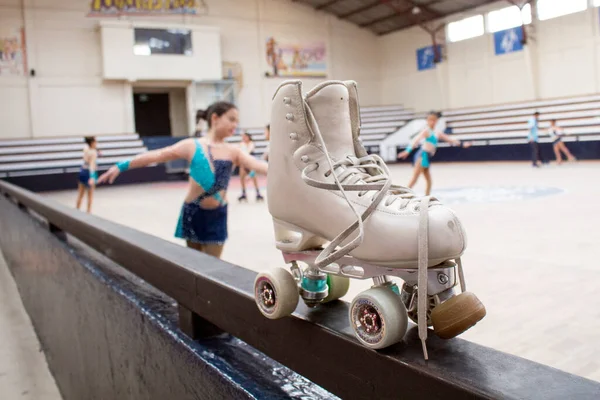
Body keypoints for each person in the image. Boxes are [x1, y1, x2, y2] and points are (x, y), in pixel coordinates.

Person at [98, 101, 268, 259]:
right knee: (195, 265)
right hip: (193, 212)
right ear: (215, 118)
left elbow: (259, 166)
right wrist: (121, 166)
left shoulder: (234, 151)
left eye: (237, 121)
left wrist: (289, 170)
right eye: (231, 119)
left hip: (217, 215)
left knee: (214, 266)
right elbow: (156, 155)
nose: (235, 125)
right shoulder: (192, 146)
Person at [397, 112, 470, 196]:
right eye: (430, 120)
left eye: (434, 120)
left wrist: (462, 144)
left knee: (428, 180)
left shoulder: (437, 132)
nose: (432, 122)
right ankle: (400, 194)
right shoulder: (426, 131)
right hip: (422, 156)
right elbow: (416, 140)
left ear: (436, 121)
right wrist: (408, 150)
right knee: (415, 179)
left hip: (427, 157)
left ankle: (426, 196)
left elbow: (449, 139)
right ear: (427, 121)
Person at [238, 131, 263, 202]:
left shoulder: (251, 143)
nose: (244, 138)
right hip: (243, 163)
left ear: (248, 137)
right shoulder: (241, 144)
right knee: (242, 178)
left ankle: (258, 192)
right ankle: (243, 193)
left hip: (251, 163)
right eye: (243, 137)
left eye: (245, 137)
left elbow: (248, 151)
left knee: (254, 178)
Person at [75, 136, 98, 213]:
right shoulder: (93, 152)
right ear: (92, 143)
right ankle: (88, 213)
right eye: (95, 142)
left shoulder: (85, 150)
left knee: (80, 194)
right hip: (89, 173)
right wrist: (92, 177)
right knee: (90, 196)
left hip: (82, 171)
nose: (97, 143)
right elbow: (91, 165)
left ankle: (76, 211)